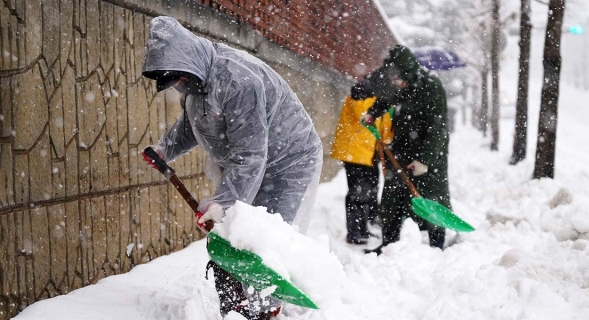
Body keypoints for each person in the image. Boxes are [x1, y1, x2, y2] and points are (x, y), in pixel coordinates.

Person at [140, 16, 322, 320]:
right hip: (255, 161)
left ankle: (264, 309)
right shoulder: (198, 85)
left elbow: (250, 154)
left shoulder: (238, 80)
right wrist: (165, 149)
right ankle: (236, 305)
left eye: (180, 79)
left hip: (288, 161)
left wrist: (223, 203)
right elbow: (194, 123)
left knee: (259, 242)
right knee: (233, 239)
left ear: (188, 63)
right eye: (175, 83)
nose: (180, 86)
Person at [361, 45, 450, 254]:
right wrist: (373, 113)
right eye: (392, 77)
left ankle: (437, 245)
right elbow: (386, 99)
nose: (395, 82)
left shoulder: (431, 86)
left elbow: (438, 129)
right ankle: (389, 244)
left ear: (407, 72)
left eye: (397, 77)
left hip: (429, 153)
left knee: (431, 196)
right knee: (392, 197)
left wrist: (425, 160)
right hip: (401, 149)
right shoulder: (401, 85)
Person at [330, 68, 394, 245]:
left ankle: (363, 228)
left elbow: (385, 127)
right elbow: (364, 117)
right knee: (357, 193)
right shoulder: (360, 94)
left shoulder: (377, 99)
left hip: (369, 153)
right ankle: (353, 232)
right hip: (355, 153)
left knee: (370, 192)